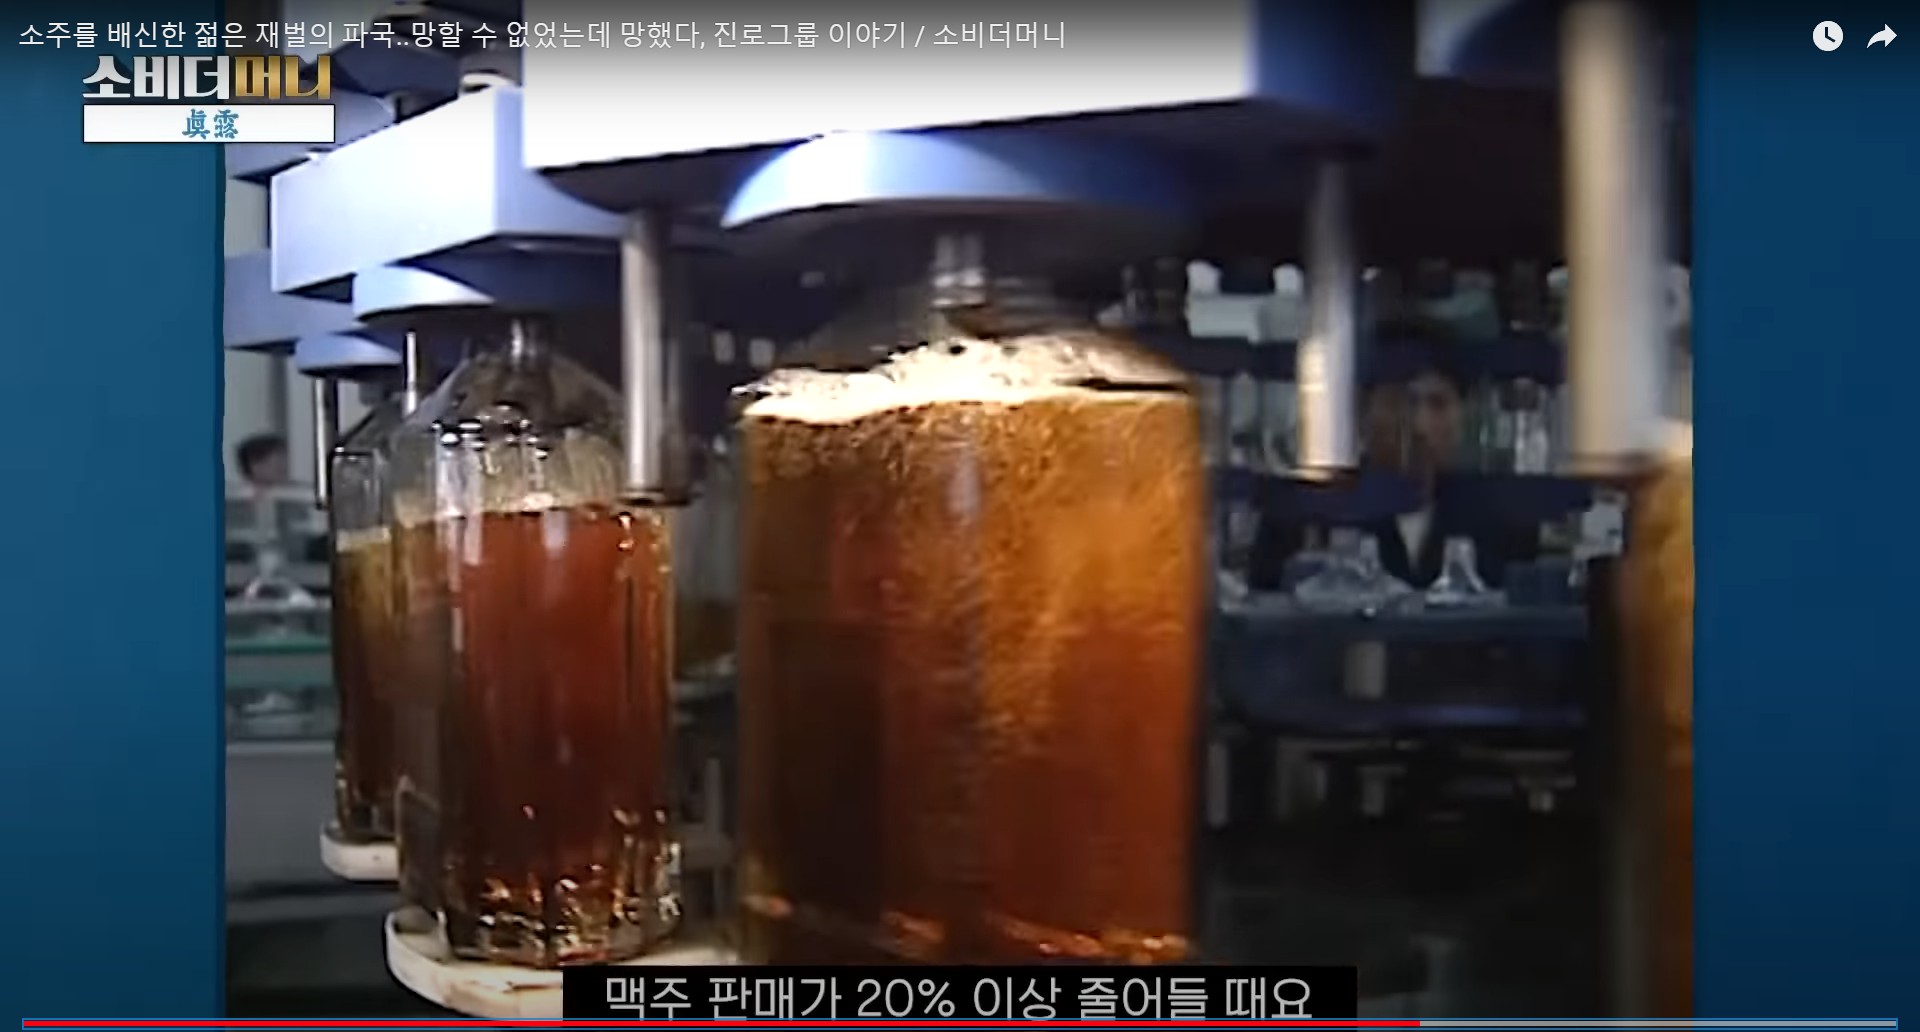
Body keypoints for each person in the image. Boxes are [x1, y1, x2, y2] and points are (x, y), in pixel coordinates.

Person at [1248, 347, 1537, 591]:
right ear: (1362, 412)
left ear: (1461, 416)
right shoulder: (1301, 514)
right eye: (1404, 404)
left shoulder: (1500, 520)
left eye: (1438, 404)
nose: (1419, 424)